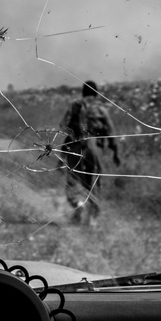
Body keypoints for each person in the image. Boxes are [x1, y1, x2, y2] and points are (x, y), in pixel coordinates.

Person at [59, 80, 121, 226]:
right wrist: (116, 152)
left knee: (73, 180)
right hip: (94, 148)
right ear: (96, 93)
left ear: (83, 92)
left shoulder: (74, 106)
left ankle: (78, 204)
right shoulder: (101, 109)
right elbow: (111, 133)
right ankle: (92, 217)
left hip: (75, 146)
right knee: (94, 182)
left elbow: (63, 126)